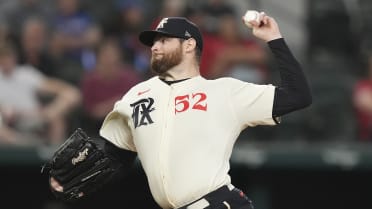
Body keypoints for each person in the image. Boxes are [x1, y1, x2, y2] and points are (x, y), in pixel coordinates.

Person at [49, 14, 311, 209]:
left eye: (164, 40)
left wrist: (274, 39)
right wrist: (77, 181)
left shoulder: (224, 92)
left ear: (189, 45)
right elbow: (116, 158)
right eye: (153, 42)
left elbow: (297, 95)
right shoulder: (136, 97)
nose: (155, 46)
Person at [0, 43, 81, 145]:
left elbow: (67, 91)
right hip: (8, 121)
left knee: (59, 115)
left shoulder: (26, 73)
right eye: (3, 57)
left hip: (35, 116)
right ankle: (24, 145)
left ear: (14, 58)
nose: (6, 61)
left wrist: (50, 112)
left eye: (8, 57)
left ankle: (54, 156)